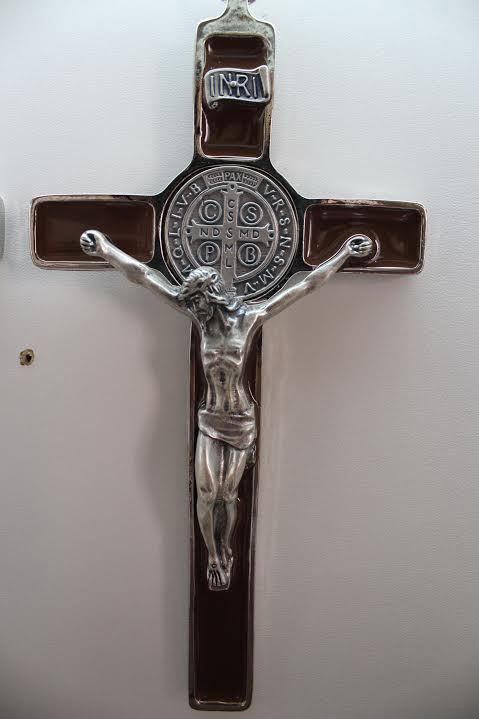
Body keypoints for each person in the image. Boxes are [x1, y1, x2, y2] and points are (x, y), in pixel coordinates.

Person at [80, 229, 373, 589]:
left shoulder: (250, 319)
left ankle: (227, 549)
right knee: (207, 493)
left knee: (227, 495)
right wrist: (105, 248)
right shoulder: (199, 319)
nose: (192, 307)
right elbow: (143, 276)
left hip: (240, 420)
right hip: (210, 418)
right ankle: (214, 555)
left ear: (212, 297)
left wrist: (344, 253)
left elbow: (306, 286)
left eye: (197, 301)